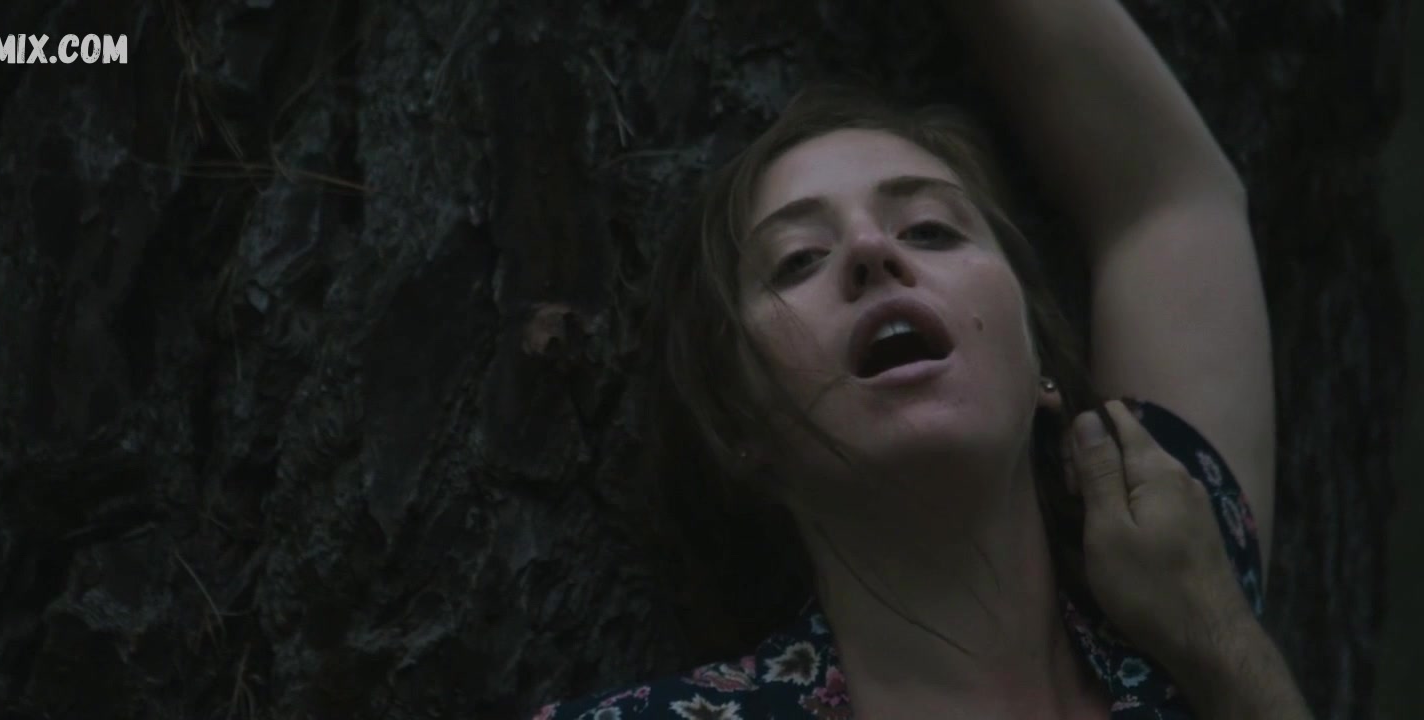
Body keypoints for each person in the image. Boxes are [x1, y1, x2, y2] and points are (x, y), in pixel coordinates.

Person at [533, 0, 1311, 717]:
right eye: (798, 259)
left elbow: (1170, 199)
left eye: (931, 229)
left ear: (1040, 360)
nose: (871, 250)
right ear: (740, 420)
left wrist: (1217, 638)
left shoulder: (1182, 567)